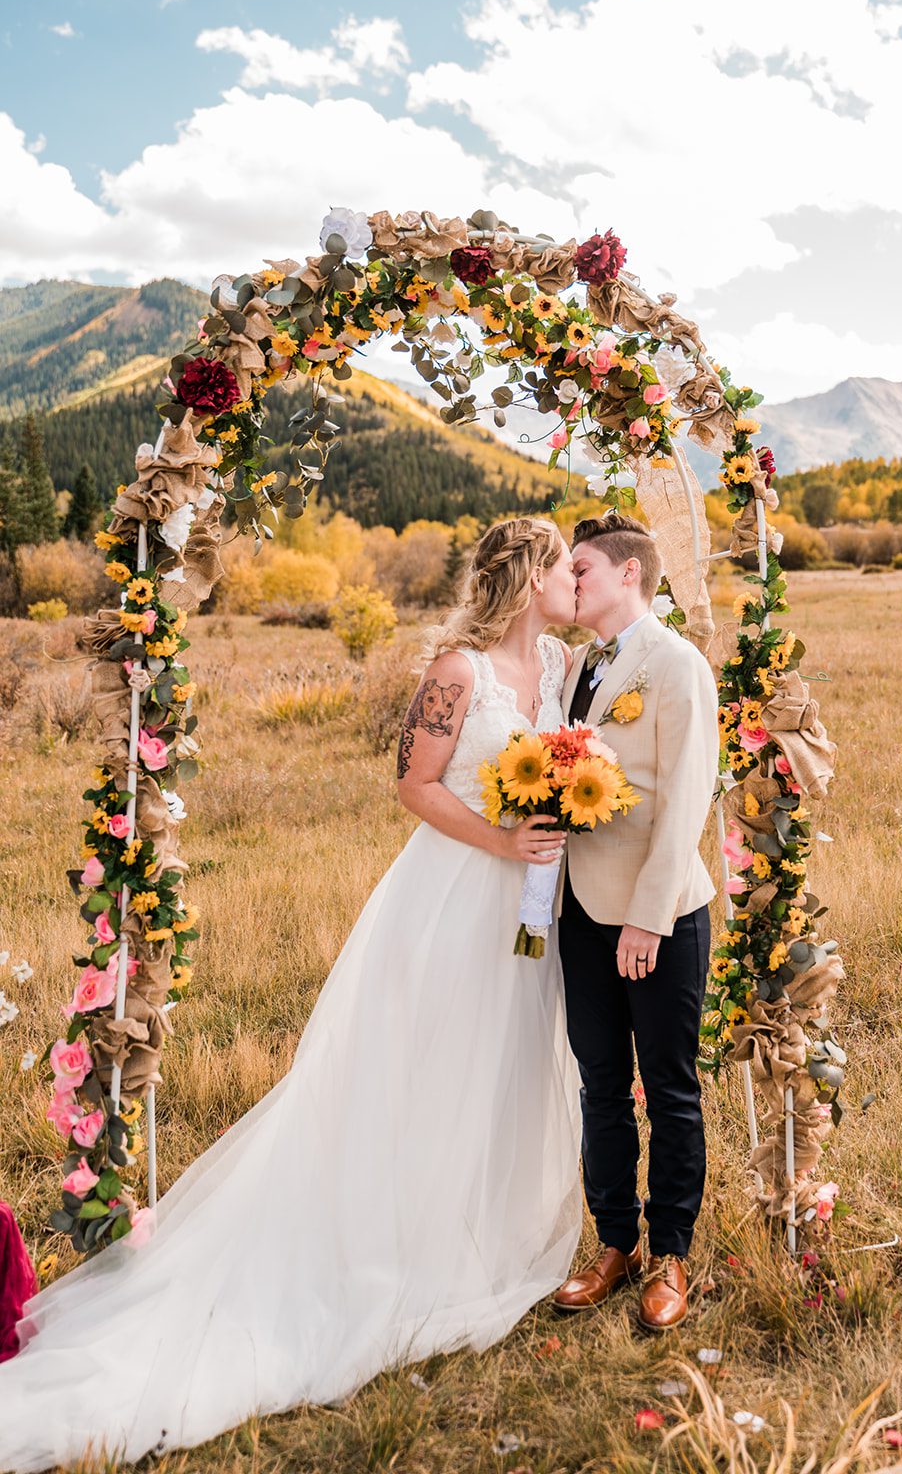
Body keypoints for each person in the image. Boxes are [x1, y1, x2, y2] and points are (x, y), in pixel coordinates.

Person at [0, 516, 583, 1473]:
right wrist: (503, 841)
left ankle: (483, 1229)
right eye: (566, 566)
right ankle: (397, 1245)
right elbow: (413, 785)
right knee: (423, 1066)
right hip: (449, 898)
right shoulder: (457, 671)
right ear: (528, 576)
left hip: (528, 906)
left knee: (506, 1061)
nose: (575, 581)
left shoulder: (559, 663)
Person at [551, 512, 719, 1332]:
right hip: (582, 910)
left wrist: (648, 921)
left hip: (661, 918)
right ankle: (614, 1244)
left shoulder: (675, 663)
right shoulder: (583, 664)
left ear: (628, 575)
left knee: (671, 1088)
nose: (568, 580)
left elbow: (686, 798)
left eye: (580, 567)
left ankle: (670, 1255)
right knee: (600, 1088)